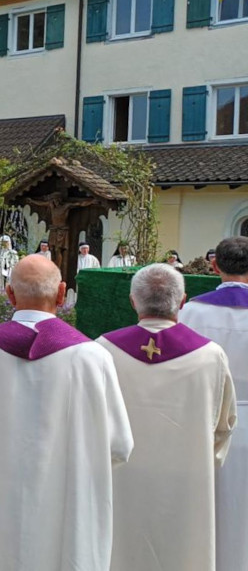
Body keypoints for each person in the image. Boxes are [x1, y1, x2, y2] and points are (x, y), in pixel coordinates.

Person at [0, 255, 133, 571]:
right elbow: (119, 446)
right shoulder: (91, 357)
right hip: (66, 504)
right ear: (62, 293)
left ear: (10, 294)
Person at [97, 264, 235, 571]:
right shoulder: (210, 355)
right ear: (183, 301)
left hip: (120, 479)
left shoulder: (103, 350)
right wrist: (203, 459)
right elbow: (224, 426)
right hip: (187, 479)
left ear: (133, 301)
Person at [179, 236, 248, 570]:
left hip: (205, 423)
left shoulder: (192, 310)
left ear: (214, 265)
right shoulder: (192, 308)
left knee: (208, 508)